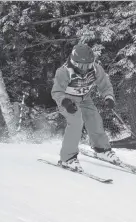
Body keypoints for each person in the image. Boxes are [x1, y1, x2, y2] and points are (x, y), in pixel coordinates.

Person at [51, 43, 121, 172]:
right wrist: (65, 102)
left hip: (85, 99)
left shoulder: (96, 69)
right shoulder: (64, 71)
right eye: (81, 66)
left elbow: (105, 86)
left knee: (95, 120)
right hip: (68, 101)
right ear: (73, 62)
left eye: (87, 65)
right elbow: (57, 92)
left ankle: (102, 149)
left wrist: (109, 97)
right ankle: (68, 158)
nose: (84, 69)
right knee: (76, 122)